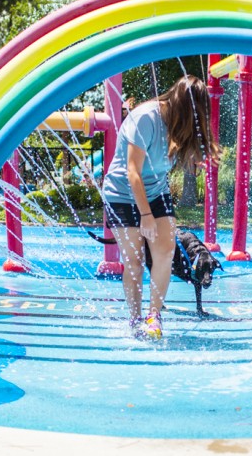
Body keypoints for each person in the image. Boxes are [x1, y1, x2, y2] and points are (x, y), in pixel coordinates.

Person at [102, 75, 220, 340]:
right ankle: (134, 321)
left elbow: (173, 156)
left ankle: (154, 317)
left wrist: (195, 161)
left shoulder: (179, 124)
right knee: (134, 261)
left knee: (164, 251)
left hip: (155, 191)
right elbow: (133, 172)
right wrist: (146, 216)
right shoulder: (145, 117)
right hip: (122, 193)